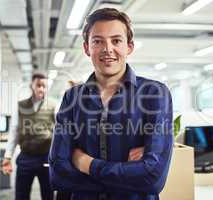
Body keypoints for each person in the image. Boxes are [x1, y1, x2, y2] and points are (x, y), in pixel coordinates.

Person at [49, 8, 173, 200]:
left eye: (116, 40)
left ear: (129, 47)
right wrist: (129, 174)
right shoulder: (71, 98)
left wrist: (85, 163)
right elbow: (58, 174)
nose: (108, 49)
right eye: (98, 41)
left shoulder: (154, 93)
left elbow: (153, 177)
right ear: (86, 48)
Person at [1, 73, 54, 200]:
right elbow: (14, 130)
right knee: (21, 195)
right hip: (26, 157)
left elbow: (59, 131)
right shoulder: (21, 105)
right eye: (38, 85)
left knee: (48, 195)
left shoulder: (53, 106)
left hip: (45, 157)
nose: (41, 89)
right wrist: (8, 156)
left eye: (44, 86)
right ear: (32, 86)